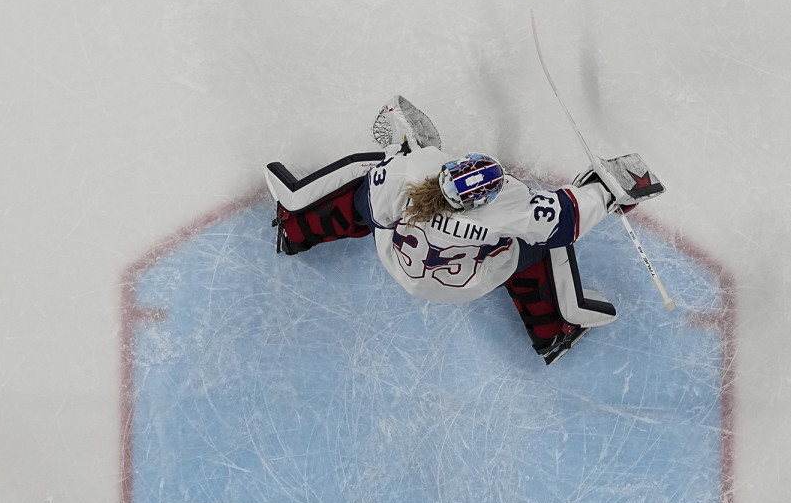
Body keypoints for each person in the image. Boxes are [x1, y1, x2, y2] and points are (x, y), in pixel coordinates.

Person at [263, 96, 664, 364]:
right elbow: (563, 220)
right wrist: (606, 189)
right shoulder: (504, 205)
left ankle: (294, 227)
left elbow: (374, 211)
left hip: (404, 264)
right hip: (466, 279)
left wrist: (407, 148)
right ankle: (556, 329)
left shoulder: (410, 175)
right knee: (542, 248)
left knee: (357, 195)